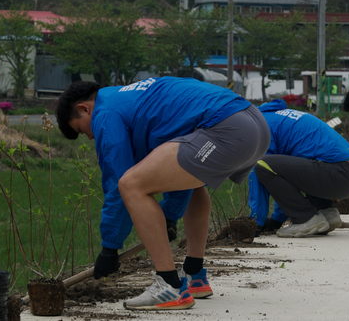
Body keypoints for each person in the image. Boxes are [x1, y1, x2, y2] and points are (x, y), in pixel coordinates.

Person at [56, 77, 270, 310]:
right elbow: (177, 172)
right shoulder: (137, 98)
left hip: (228, 129)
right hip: (255, 124)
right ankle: (194, 274)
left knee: (131, 184)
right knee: (193, 181)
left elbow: (118, 181)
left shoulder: (105, 112)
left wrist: (110, 246)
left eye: (81, 129)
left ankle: (169, 286)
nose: (90, 136)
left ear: (84, 109)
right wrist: (168, 216)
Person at [251, 99, 349, 238]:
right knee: (299, 160)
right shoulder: (278, 117)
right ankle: (326, 212)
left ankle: (306, 219)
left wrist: (255, 222)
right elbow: (286, 174)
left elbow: (259, 171)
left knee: (261, 164)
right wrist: (277, 219)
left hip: (337, 176)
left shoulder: (259, 126)